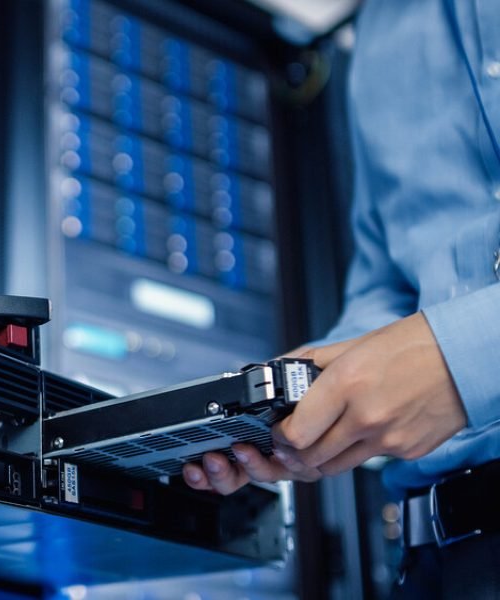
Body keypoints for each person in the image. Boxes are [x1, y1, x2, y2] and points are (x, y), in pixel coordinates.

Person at [183, 0, 500, 597]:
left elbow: (440, 350)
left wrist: (465, 362)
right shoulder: (380, 30)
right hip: (443, 561)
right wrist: (304, 398)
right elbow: (391, 285)